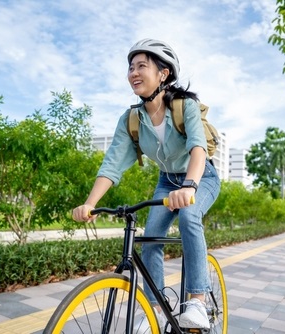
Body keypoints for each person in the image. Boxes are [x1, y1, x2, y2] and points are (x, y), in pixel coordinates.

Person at [72, 38, 220, 330]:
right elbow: (112, 164)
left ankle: (197, 301)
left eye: (142, 66)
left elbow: (198, 149)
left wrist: (190, 186)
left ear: (163, 74)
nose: (134, 73)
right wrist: (90, 203)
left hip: (201, 177)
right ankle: (155, 309)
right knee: (150, 237)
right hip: (167, 182)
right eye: (131, 68)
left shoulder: (184, 106)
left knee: (190, 216)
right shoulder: (131, 120)